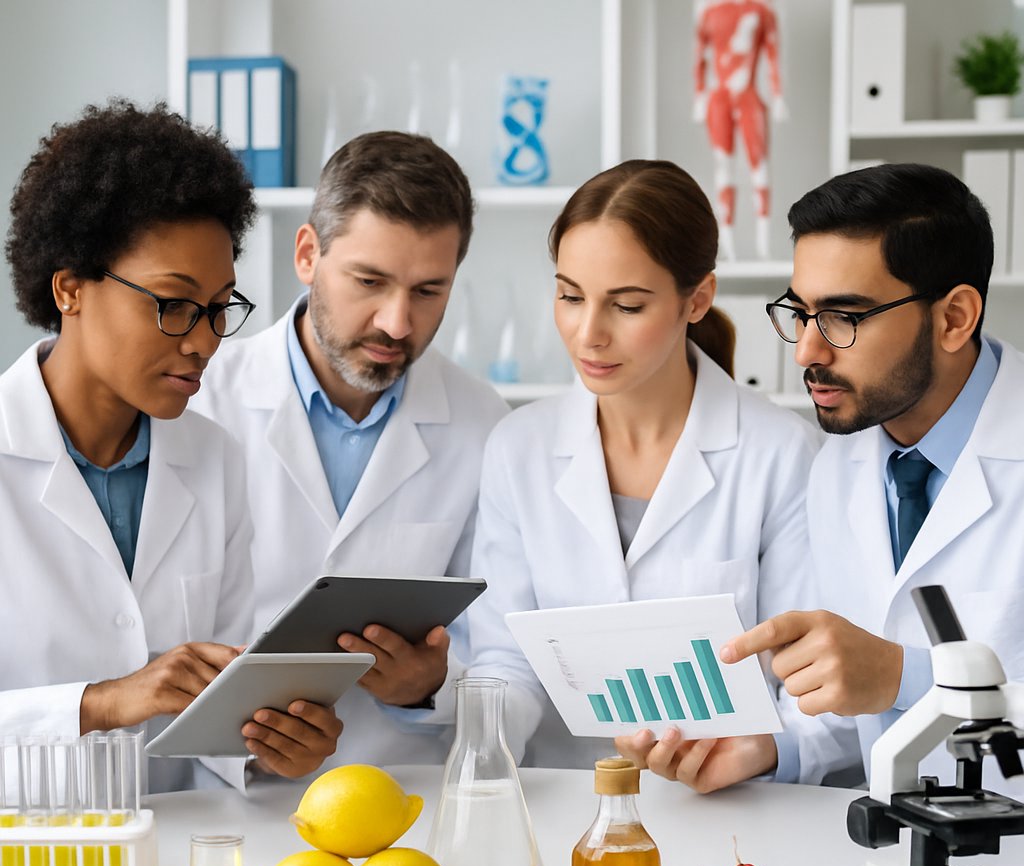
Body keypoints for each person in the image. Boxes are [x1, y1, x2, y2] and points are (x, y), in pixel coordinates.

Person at [629, 162, 1024, 793]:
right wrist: (768, 748)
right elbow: (854, 697)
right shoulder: (839, 464)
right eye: (800, 312)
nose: (806, 352)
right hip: (899, 852)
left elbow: (886, 676)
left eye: (844, 317)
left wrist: (905, 676)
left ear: (954, 318)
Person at [0, 100, 342, 792]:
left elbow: (213, 715)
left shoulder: (213, 459)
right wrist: (102, 703)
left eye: (219, 307)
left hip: (176, 856)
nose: (205, 340)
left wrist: (270, 746)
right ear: (69, 289)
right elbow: (131, 699)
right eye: (173, 303)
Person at [466, 159, 819, 768]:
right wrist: (481, 757)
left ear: (697, 299)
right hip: (565, 800)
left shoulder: (783, 454)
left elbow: (812, 683)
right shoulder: (517, 447)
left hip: (733, 814)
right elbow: (504, 657)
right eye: (570, 297)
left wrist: (766, 753)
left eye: (626, 307)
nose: (588, 335)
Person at [193, 131, 508, 766]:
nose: (397, 322)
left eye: (428, 291)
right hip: (230, 793)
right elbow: (165, 632)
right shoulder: (201, 405)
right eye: (370, 281)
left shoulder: (483, 424)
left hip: (401, 791)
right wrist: (246, 742)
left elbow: (499, 647)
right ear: (307, 254)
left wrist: (427, 689)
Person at [692, 0, 787, 261]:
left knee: (760, 167)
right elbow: (700, 55)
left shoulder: (761, 11)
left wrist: (777, 95)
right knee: (724, 167)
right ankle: (727, 244)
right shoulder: (709, 12)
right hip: (719, 98)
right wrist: (700, 98)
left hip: (748, 95)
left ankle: (763, 243)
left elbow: (772, 52)